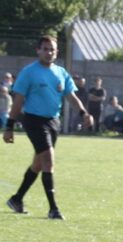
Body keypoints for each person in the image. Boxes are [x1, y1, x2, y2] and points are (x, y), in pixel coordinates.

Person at [4, 36, 93, 220]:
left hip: (53, 122)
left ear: (56, 52)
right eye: (45, 49)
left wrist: (84, 113)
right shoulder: (29, 72)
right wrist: (9, 126)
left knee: (38, 164)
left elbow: (71, 97)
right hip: (34, 121)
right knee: (49, 161)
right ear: (38, 50)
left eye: (52, 49)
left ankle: (17, 199)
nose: (48, 52)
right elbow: (18, 101)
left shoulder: (61, 72)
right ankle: (53, 209)